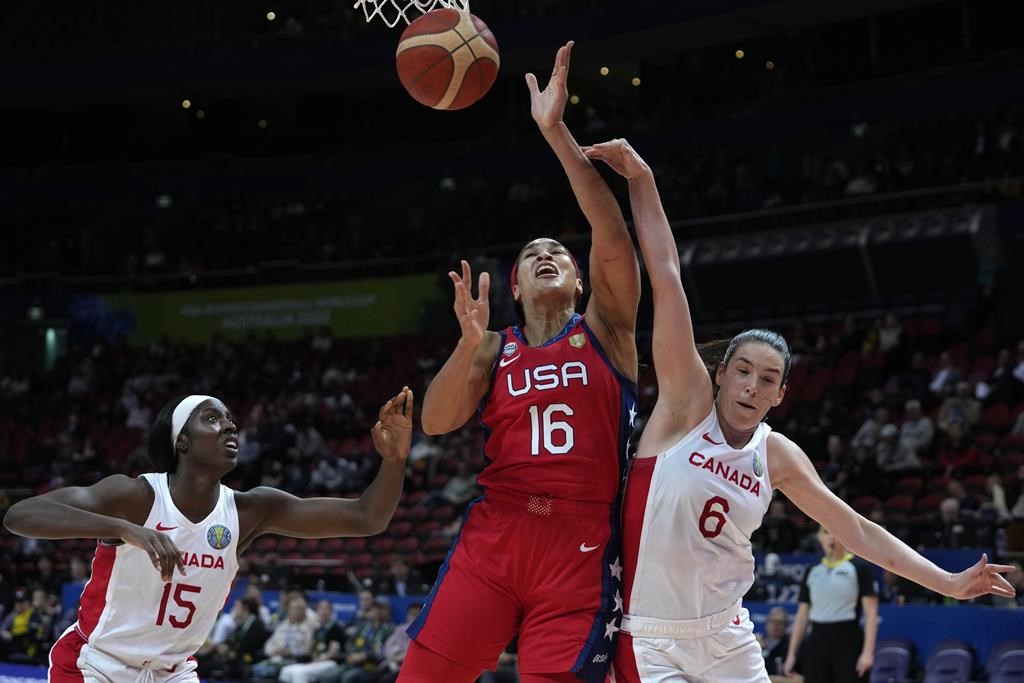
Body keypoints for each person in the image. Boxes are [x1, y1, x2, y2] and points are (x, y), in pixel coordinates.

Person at [580, 137, 1016, 683]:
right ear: (721, 373)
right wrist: (642, 181)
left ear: (780, 395)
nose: (751, 386)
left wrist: (947, 582)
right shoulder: (685, 407)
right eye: (742, 370)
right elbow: (666, 274)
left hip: (728, 635)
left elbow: (855, 529)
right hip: (651, 639)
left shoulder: (776, 454)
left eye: (767, 380)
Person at [399, 41, 640, 683]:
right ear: (514, 285)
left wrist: (554, 131)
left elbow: (612, 234)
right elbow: (438, 421)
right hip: (497, 533)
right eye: (532, 253)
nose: (545, 254)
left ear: (581, 281)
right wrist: (464, 341)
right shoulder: (491, 344)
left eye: (559, 252)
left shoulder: (608, 330)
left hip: (581, 545)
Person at [2, 387, 413, 682]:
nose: (229, 426)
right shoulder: (135, 496)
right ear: (182, 440)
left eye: (231, 419)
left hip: (174, 672)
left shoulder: (249, 510)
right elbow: (21, 515)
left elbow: (366, 518)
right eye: (212, 418)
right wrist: (124, 529)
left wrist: (394, 462)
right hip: (98, 664)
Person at [783, 527, 879, 683]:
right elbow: (802, 615)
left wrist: (868, 652)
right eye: (826, 532)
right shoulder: (812, 570)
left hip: (848, 639)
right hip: (817, 639)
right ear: (819, 537)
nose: (832, 537)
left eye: (836, 531)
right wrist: (791, 654)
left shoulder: (859, 568)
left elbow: (871, 614)